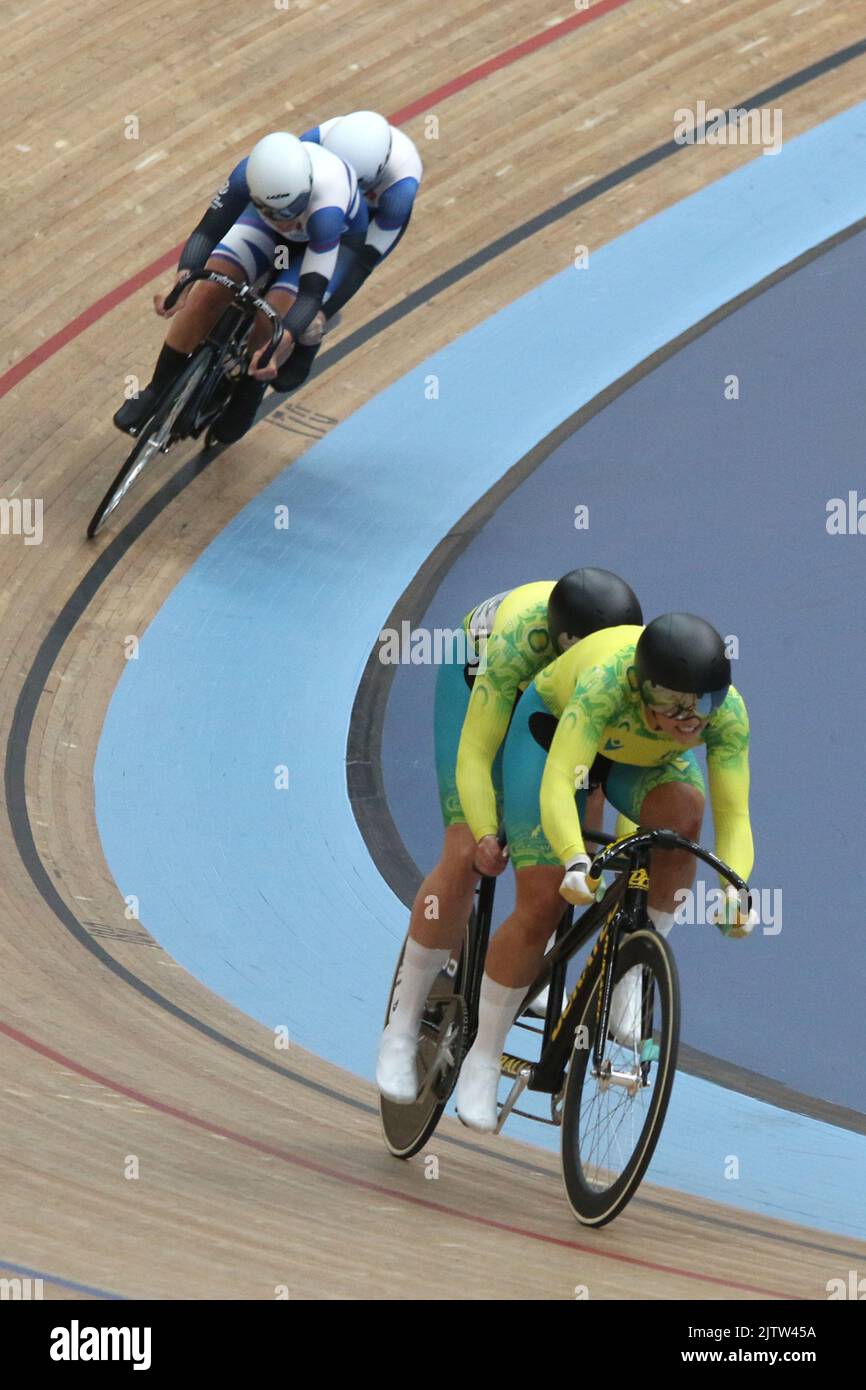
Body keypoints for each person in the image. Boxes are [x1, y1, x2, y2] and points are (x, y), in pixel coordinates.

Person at [455, 612, 755, 1132]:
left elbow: (735, 816)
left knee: (685, 818)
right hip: (552, 734)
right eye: (675, 706)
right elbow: (556, 788)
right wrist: (573, 855)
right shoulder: (604, 686)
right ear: (642, 689)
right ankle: (482, 1054)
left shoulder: (726, 715)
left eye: (702, 705)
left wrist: (735, 887)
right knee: (546, 901)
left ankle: (630, 974)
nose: (692, 721)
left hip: (641, 756)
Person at [376, 569, 643, 1103]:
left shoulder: (628, 666)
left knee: (586, 799)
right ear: (564, 647)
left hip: (560, 710)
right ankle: (401, 1028)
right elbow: (476, 753)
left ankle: (541, 947)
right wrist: (479, 834)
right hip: (478, 683)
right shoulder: (522, 642)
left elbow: (627, 769)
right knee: (463, 854)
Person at [113, 130, 366, 443]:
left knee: (272, 315)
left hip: (328, 242)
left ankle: (250, 390)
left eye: (290, 210)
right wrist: (181, 283)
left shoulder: (327, 208)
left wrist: (281, 342)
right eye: (275, 211)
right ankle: (156, 388)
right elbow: (207, 233)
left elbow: (311, 293)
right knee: (207, 290)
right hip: (263, 227)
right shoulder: (245, 177)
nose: (285, 220)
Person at [281, 111, 423, 393]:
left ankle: (310, 341)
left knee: (327, 285)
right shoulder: (316, 140)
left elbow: (362, 261)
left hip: (368, 222)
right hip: (317, 198)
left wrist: (323, 311)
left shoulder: (399, 190)